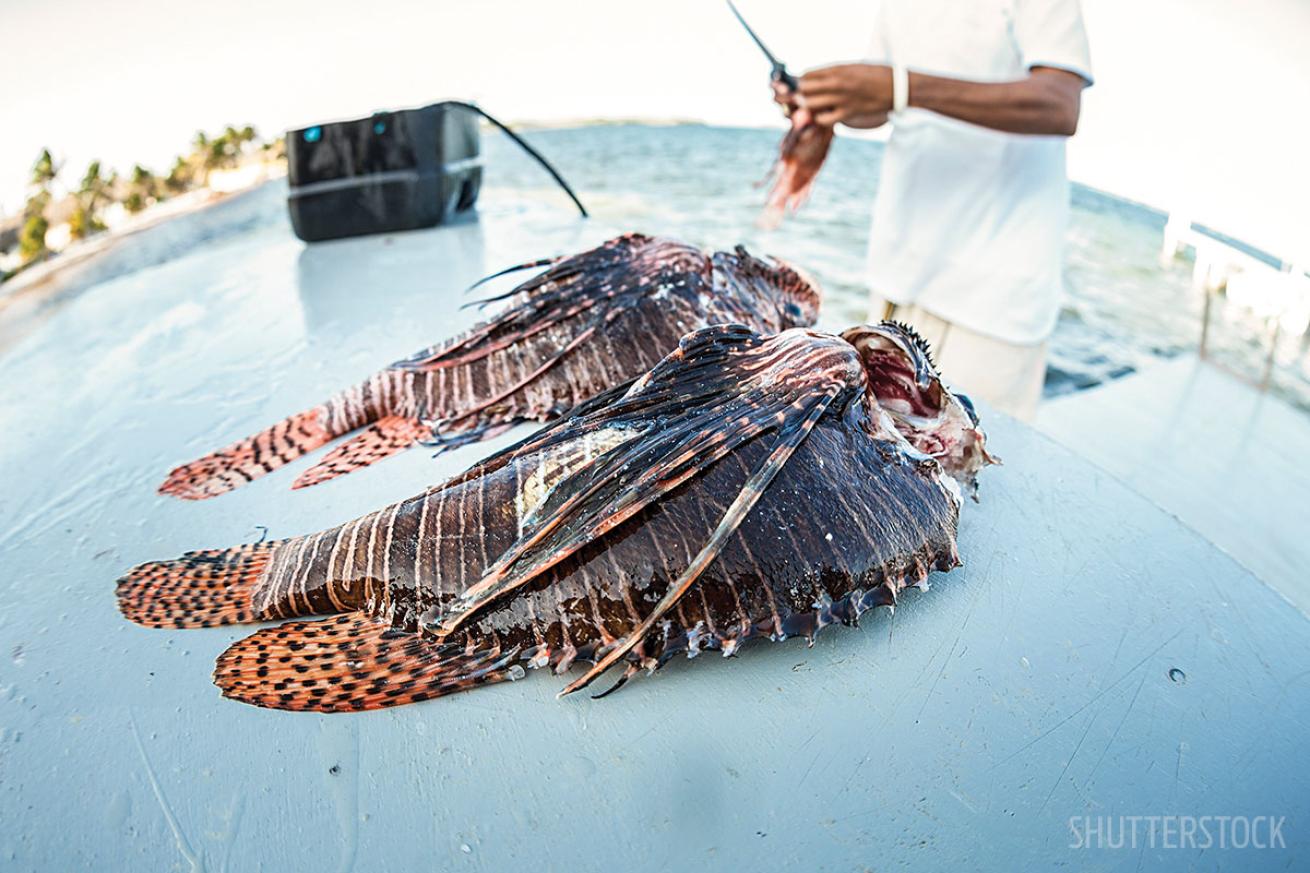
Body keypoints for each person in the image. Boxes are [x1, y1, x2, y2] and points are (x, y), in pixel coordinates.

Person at [773, 0, 1092, 420]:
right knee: (871, 452)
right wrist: (824, 100)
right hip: (898, 276)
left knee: (965, 468)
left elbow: (1059, 104)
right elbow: (877, 105)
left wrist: (903, 87)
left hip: (995, 300)